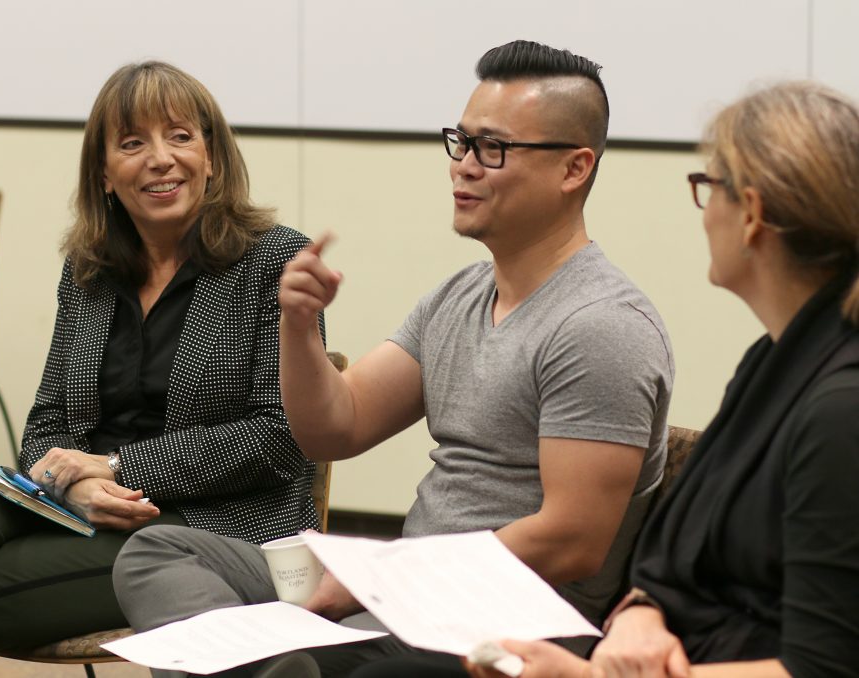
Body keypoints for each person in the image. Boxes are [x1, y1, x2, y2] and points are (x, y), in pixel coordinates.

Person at [114, 40, 673, 677]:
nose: (463, 166)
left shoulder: (600, 325)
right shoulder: (460, 296)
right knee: (158, 551)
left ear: (574, 169)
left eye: (493, 149)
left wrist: (386, 580)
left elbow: (572, 541)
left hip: (499, 633)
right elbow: (336, 427)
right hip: (402, 600)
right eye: (460, 142)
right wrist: (295, 327)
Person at [0, 61, 319, 678]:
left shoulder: (272, 260)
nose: (160, 159)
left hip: (206, 531)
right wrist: (77, 485)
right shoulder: (88, 271)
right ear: (106, 175)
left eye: (180, 136)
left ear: (213, 157)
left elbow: (278, 438)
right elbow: (48, 425)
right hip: (84, 515)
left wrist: (116, 467)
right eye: (133, 143)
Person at [461, 81, 859, 678]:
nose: (703, 214)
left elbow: (822, 666)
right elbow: (669, 562)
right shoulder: (770, 361)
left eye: (709, 188)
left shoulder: (841, 409)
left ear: (750, 214)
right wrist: (642, 614)